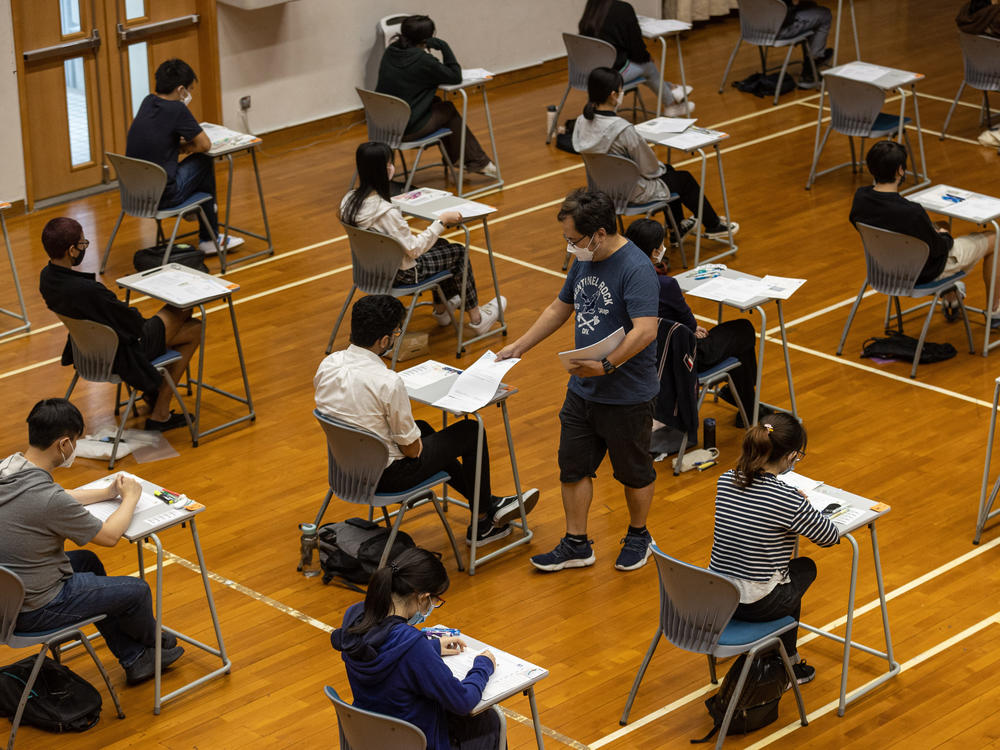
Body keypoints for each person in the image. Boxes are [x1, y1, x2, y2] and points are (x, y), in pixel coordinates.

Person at [497, 189, 659, 572]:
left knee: (633, 473)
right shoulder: (585, 260)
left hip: (626, 394)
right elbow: (560, 306)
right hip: (583, 389)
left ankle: (639, 535)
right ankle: (576, 543)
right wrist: (520, 346)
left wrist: (606, 365)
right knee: (572, 467)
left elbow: (646, 331)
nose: (571, 248)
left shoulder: (636, 268)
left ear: (599, 233)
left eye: (575, 240)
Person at [314, 295, 538, 545]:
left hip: (346, 471)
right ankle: (485, 518)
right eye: (396, 333)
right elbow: (411, 451)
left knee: (423, 429)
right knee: (470, 431)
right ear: (384, 340)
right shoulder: (387, 381)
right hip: (386, 478)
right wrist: (418, 444)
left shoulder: (327, 365)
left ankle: (488, 506)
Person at [0, 398, 184, 685]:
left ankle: (136, 658)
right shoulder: (49, 500)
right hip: (36, 610)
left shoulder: (9, 468)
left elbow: (58, 497)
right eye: (74, 441)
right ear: (63, 444)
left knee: (88, 563)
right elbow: (109, 536)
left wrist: (108, 493)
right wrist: (131, 497)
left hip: (8, 600)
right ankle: (154, 642)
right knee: (136, 591)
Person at [708, 413, 839, 685]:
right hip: (755, 604)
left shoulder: (725, 479)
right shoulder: (786, 499)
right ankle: (788, 664)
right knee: (802, 570)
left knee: (785, 576)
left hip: (718, 597)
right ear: (790, 456)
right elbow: (828, 537)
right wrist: (800, 507)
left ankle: (782, 657)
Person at [331, 547, 505, 750]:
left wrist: (431, 646)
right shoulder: (413, 646)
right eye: (435, 600)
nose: (433, 606)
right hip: (416, 742)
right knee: (489, 722)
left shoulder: (355, 616)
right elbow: (462, 701)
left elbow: (381, 647)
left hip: (370, 739)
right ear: (422, 598)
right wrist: (482, 666)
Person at [38, 217, 199, 431]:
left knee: (192, 328)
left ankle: (156, 395)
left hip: (87, 352)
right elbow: (134, 323)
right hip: (122, 354)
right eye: (82, 244)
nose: (84, 248)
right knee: (185, 310)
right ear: (72, 251)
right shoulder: (88, 291)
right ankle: (160, 412)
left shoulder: (46, 278)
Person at [341, 142, 505, 335]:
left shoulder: (349, 201)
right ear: (385, 169)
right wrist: (441, 221)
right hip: (404, 275)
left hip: (371, 271)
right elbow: (414, 250)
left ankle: (442, 309)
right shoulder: (386, 213)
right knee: (458, 252)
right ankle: (477, 319)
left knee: (441, 245)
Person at [573, 67, 738, 242]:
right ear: (613, 95)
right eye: (621, 91)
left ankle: (678, 227)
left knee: (669, 171)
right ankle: (713, 225)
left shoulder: (581, 122)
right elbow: (650, 169)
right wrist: (659, 167)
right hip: (632, 192)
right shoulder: (622, 129)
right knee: (683, 179)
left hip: (604, 190)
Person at [625, 219, 758, 425]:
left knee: (736, 345)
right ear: (653, 252)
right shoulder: (665, 285)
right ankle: (748, 404)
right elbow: (688, 321)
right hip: (684, 357)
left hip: (646, 355)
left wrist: (691, 328)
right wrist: (693, 329)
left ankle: (745, 403)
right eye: (661, 245)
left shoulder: (622, 279)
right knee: (744, 330)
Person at [849, 140, 999, 324]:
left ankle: (951, 297)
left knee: (942, 222)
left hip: (884, 270)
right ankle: (995, 310)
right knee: (995, 238)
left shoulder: (860, 198)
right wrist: (944, 235)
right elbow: (940, 248)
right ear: (900, 171)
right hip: (921, 274)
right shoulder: (911, 212)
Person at [126, 58, 242, 257]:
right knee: (205, 159)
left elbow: (156, 140)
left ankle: (198, 212)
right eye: (190, 89)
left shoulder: (148, 102)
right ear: (181, 90)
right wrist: (189, 146)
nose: (190, 95)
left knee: (195, 164)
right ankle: (208, 236)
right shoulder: (178, 109)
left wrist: (180, 147)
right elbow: (205, 145)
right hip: (163, 198)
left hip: (135, 196)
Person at [376, 15, 497, 178]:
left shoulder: (391, 51)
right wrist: (445, 47)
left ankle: (462, 159)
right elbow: (455, 77)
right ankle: (476, 161)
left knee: (437, 103)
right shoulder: (423, 61)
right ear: (428, 38)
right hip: (406, 130)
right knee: (447, 109)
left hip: (383, 126)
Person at [578, 0, 695, 116]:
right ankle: (671, 103)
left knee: (644, 66)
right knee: (648, 66)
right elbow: (637, 48)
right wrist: (647, 57)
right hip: (610, 76)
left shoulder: (593, 6)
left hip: (587, 74)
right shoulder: (623, 9)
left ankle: (672, 89)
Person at [777, 1, 834, 89]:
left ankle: (812, 60)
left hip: (755, 29)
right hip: (779, 29)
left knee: (809, 6)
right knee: (824, 15)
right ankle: (810, 68)